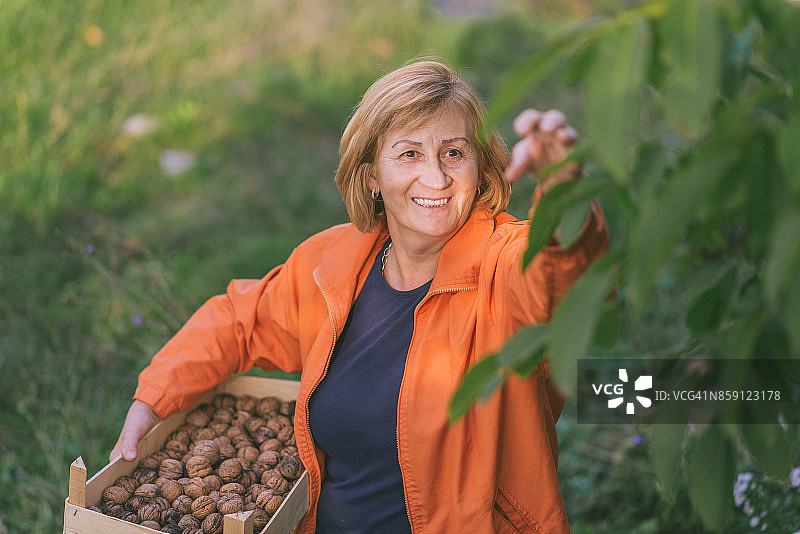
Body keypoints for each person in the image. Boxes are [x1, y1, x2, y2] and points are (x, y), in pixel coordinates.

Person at [110, 60, 609, 533]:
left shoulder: (501, 265)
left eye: (454, 152)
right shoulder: (336, 261)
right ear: (371, 176)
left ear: (481, 167)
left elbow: (557, 274)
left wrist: (563, 194)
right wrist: (152, 401)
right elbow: (241, 320)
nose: (435, 178)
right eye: (409, 153)